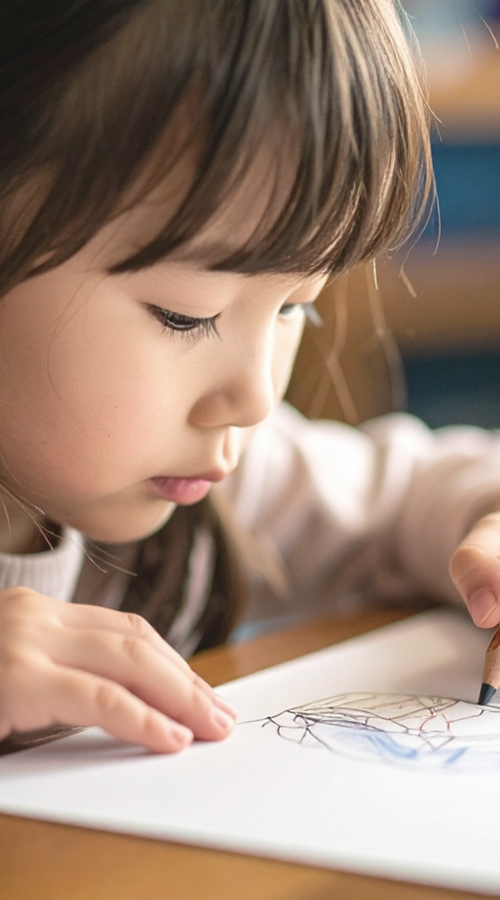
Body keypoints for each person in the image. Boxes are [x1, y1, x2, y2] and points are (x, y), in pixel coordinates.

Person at [0, 0, 498, 756]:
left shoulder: (222, 484)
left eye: (301, 309)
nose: (258, 398)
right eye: (185, 316)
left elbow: (415, 491)